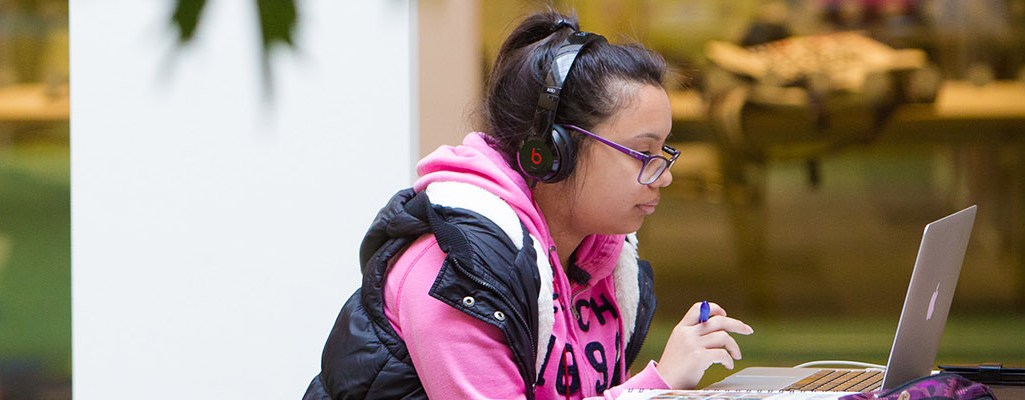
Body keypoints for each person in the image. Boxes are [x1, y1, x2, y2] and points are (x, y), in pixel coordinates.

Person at [303, 12, 753, 400]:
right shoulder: (453, 273)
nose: (664, 175)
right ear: (553, 151)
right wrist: (660, 382)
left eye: (664, 153)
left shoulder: (603, 262)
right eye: (642, 153)